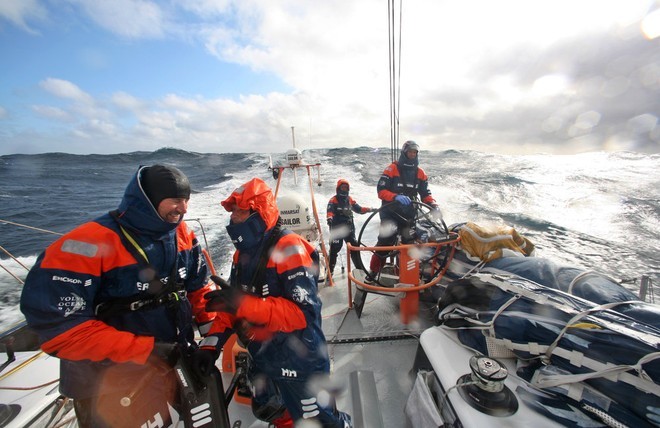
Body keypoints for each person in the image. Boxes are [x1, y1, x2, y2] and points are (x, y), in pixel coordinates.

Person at [20, 164, 224, 427]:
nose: (184, 209)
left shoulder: (182, 234)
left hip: (172, 367)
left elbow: (197, 290)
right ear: (148, 199)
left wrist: (210, 341)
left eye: (186, 200)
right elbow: (60, 329)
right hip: (108, 386)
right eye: (175, 200)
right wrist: (147, 350)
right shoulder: (84, 245)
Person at [204, 177, 352, 428]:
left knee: (319, 421)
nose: (234, 218)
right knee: (274, 412)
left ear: (259, 213)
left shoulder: (289, 247)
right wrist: (210, 345)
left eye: (241, 212)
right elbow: (232, 304)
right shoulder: (242, 255)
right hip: (263, 356)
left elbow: (301, 315)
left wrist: (243, 305)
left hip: (299, 360)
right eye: (233, 212)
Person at [368, 140, 440, 276]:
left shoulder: (420, 173)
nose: (412, 154)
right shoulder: (391, 169)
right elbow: (381, 191)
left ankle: (408, 275)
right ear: (405, 153)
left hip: (408, 215)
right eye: (410, 152)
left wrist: (433, 205)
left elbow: (425, 194)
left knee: (410, 243)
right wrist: (395, 197)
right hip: (390, 213)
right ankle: (373, 272)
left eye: (415, 152)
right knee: (385, 242)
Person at [326, 179, 375, 276]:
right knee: (334, 249)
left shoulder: (350, 199)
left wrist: (371, 209)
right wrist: (329, 218)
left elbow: (359, 209)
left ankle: (360, 269)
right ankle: (330, 271)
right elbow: (329, 212)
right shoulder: (333, 200)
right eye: (342, 187)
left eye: (346, 188)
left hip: (349, 229)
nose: (344, 190)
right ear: (338, 188)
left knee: (355, 247)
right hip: (337, 229)